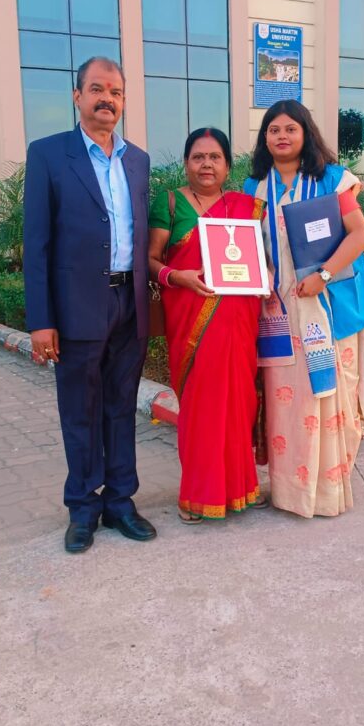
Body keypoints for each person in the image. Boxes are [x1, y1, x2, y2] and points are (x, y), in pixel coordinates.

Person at [23, 57, 156, 553]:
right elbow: (37, 243)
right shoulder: (49, 155)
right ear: (77, 96)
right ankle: (83, 507)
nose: (107, 99)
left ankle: (120, 501)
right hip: (78, 306)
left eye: (116, 92)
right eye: (97, 89)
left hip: (129, 303)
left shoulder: (137, 160)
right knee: (80, 409)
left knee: (121, 406)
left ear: (123, 101)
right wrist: (41, 320)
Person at [244, 100, 364, 519]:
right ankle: (290, 492)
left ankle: (328, 489)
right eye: (273, 130)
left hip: (327, 306)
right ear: (265, 138)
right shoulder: (254, 188)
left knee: (332, 399)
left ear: (305, 133)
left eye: (290, 128)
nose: (281, 136)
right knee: (287, 404)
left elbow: (359, 234)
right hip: (278, 311)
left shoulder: (331, 180)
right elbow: (248, 245)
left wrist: (323, 274)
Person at [149, 127, 263, 523]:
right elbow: (151, 259)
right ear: (186, 163)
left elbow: (261, 257)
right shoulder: (170, 203)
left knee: (239, 403)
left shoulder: (245, 206)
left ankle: (241, 488)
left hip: (238, 321)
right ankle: (198, 495)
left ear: (228, 165)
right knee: (201, 409)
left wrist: (263, 277)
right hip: (191, 323)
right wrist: (176, 277)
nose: (206, 164)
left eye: (215, 157)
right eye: (198, 157)